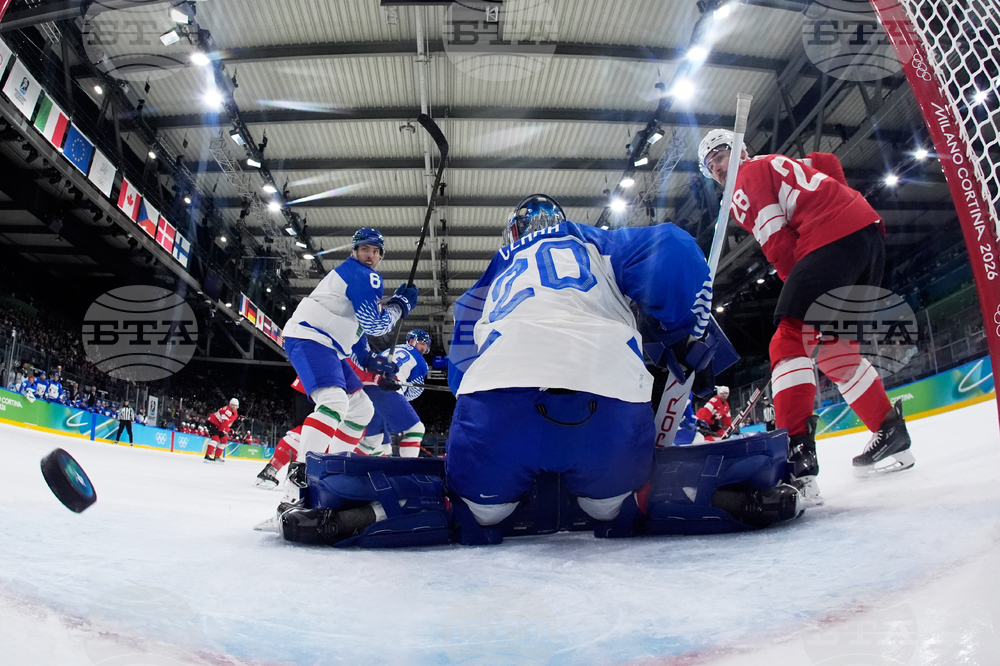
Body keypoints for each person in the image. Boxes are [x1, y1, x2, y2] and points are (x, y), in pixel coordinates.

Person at [442, 193, 713, 541]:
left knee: (483, 511)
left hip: (500, 402)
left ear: (512, 233)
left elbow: (459, 369)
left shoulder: (490, 278)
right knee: (607, 508)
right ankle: (619, 501)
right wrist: (679, 333)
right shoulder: (593, 240)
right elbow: (674, 246)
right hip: (608, 397)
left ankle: (482, 504)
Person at [698, 129, 914, 502]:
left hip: (831, 242)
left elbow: (778, 242)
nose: (717, 165)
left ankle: (796, 459)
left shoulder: (743, 182)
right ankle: (890, 432)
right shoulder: (780, 163)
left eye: (720, 155)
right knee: (834, 350)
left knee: (788, 338)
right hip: (867, 237)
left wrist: (799, 285)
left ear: (741, 151)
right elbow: (828, 163)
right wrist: (841, 207)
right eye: (710, 163)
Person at [280, 227, 418, 476]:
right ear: (354, 251)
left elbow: (356, 344)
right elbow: (376, 326)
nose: (371, 255)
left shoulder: (356, 279)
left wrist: (374, 363)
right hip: (311, 338)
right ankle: (302, 473)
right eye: (365, 249)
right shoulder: (362, 275)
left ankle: (332, 468)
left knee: (362, 408)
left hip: (328, 345)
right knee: (334, 401)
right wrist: (400, 306)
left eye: (376, 251)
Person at [351, 329, 431, 458]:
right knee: (415, 430)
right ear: (412, 341)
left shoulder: (389, 350)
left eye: (426, 345)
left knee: (373, 440)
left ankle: (346, 467)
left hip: (364, 386)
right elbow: (416, 390)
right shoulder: (421, 362)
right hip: (385, 388)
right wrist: (400, 400)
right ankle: (407, 474)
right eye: (422, 343)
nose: (424, 348)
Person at [205, 398, 239, 463]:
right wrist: (228, 431)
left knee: (224, 440)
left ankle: (217, 456)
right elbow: (225, 423)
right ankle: (207, 455)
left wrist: (230, 430)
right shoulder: (227, 411)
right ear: (230, 405)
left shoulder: (235, 413)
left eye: (235, 405)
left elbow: (228, 423)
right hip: (213, 423)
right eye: (232, 405)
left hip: (219, 425)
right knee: (215, 438)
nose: (234, 407)